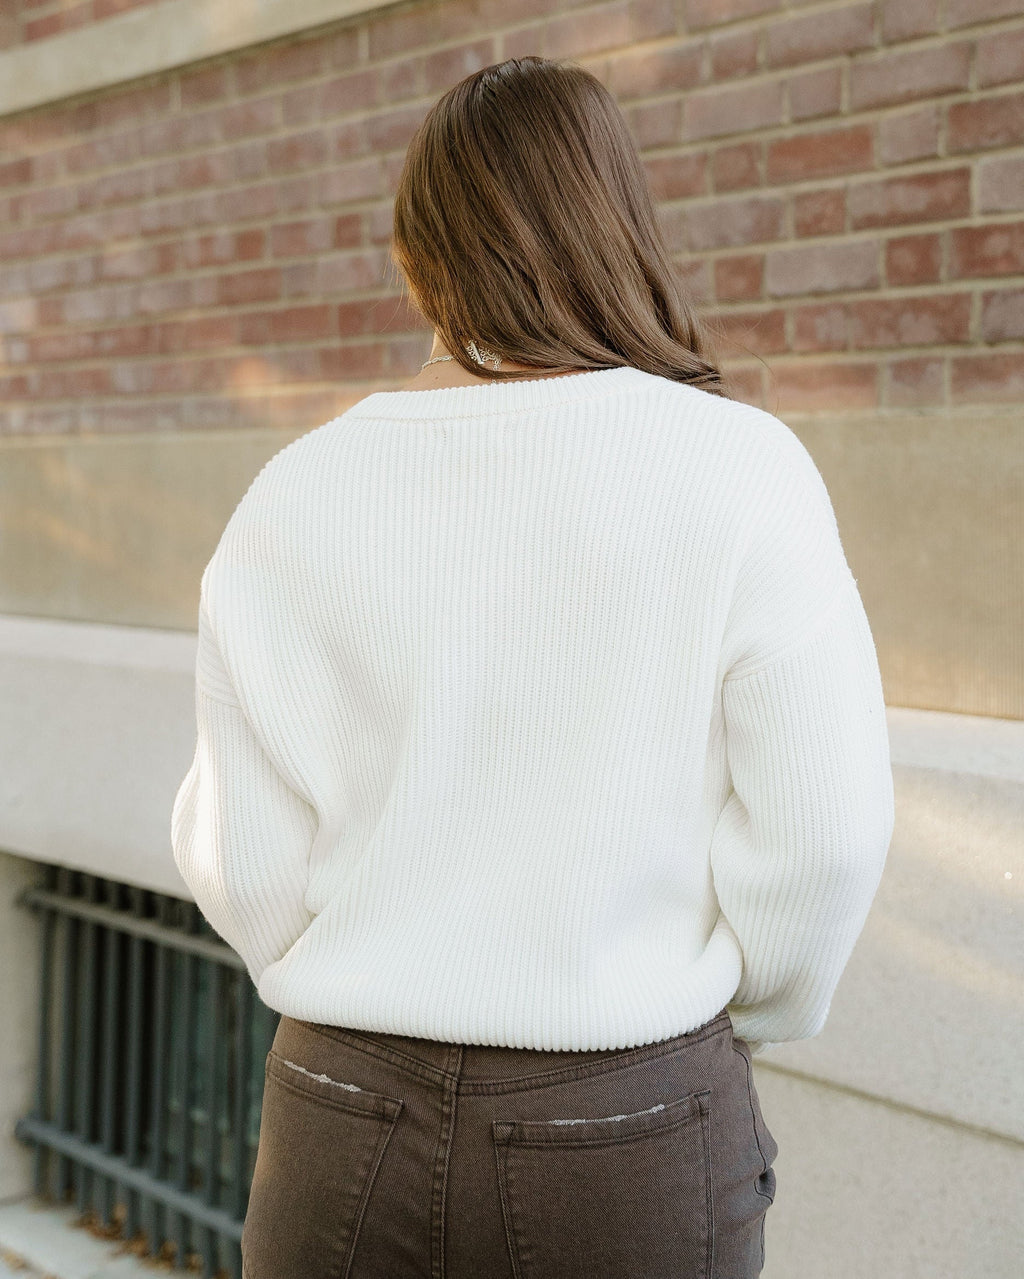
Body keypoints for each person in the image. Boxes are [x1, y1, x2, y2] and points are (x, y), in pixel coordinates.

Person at [171, 55, 894, 1279]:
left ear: (418, 256)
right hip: (628, 1118)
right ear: (620, 226)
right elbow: (821, 834)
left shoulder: (295, 490)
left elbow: (241, 855)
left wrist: (375, 968)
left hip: (341, 1105)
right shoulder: (739, 468)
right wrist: (737, 1016)